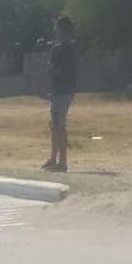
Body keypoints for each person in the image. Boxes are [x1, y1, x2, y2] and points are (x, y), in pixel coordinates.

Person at [44, 16, 79, 173]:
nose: (55, 31)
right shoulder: (71, 48)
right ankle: (54, 159)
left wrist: (52, 71)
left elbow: (57, 71)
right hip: (64, 91)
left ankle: (62, 162)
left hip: (61, 92)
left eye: (57, 28)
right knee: (54, 125)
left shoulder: (62, 49)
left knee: (59, 126)